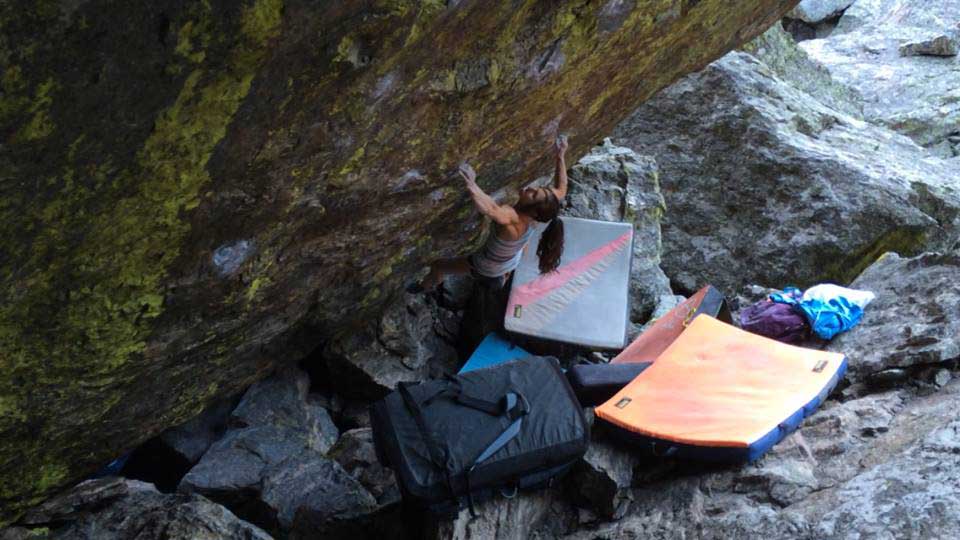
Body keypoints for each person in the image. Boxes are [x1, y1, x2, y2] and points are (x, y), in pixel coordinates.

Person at [408, 135, 569, 294]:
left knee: (439, 266)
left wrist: (471, 183)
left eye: (533, 195)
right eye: (537, 189)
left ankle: (426, 286)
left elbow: (491, 209)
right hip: (510, 260)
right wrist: (560, 155)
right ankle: (503, 276)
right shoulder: (539, 215)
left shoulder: (514, 219)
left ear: (533, 209)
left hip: (486, 267)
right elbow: (561, 190)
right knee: (514, 252)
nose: (531, 189)